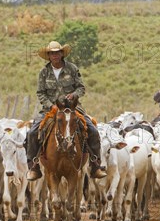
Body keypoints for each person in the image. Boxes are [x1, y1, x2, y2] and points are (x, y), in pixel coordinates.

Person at [25, 41, 107, 181]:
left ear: (62, 53)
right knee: (32, 133)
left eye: (57, 52)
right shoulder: (44, 72)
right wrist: (51, 106)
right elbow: (40, 93)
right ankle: (33, 167)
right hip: (50, 109)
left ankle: (95, 164)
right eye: (52, 53)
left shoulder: (72, 68)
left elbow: (81, 88)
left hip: (73, 108)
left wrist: (74, 95)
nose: (55, 55)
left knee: (92, 130)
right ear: (48, 56)